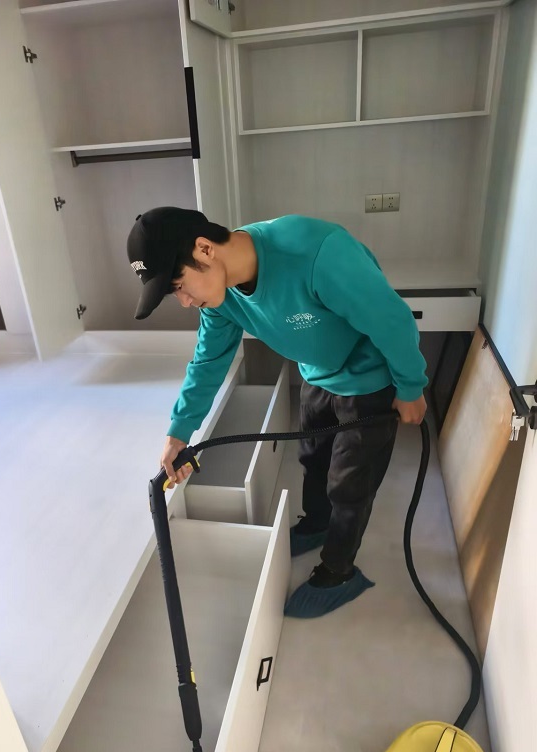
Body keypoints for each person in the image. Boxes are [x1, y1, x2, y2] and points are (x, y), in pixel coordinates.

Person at [127, 207, 428, 619]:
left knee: (350, 484)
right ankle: (317, 523)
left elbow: (391, 320)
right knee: (313, 458)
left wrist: (410, 387)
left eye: (179, 286)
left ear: (204, 249)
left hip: (368, 379)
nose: (184, 302)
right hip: (317, 373)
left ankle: (339, 570)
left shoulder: (316, 252)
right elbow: (208, 360)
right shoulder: (219, 296)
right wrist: (179, 431)